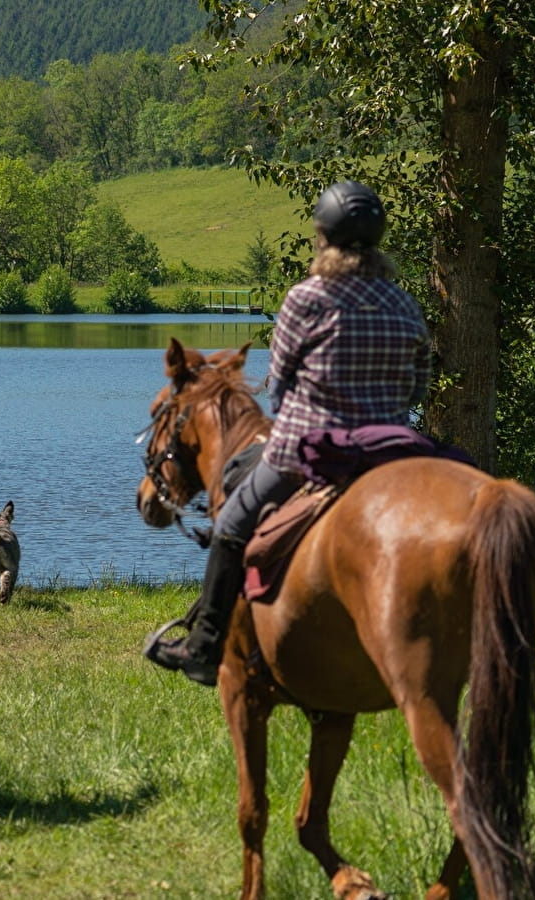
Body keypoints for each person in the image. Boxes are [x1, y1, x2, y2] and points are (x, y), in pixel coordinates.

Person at [143, 180, 431, 686]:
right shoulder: (403, 303)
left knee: (231, 525)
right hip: (391, 452)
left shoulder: (306, 298)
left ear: (322, 237)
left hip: (307, 450)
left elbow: (282, 384)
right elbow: (417, 387)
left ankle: (204, 648)